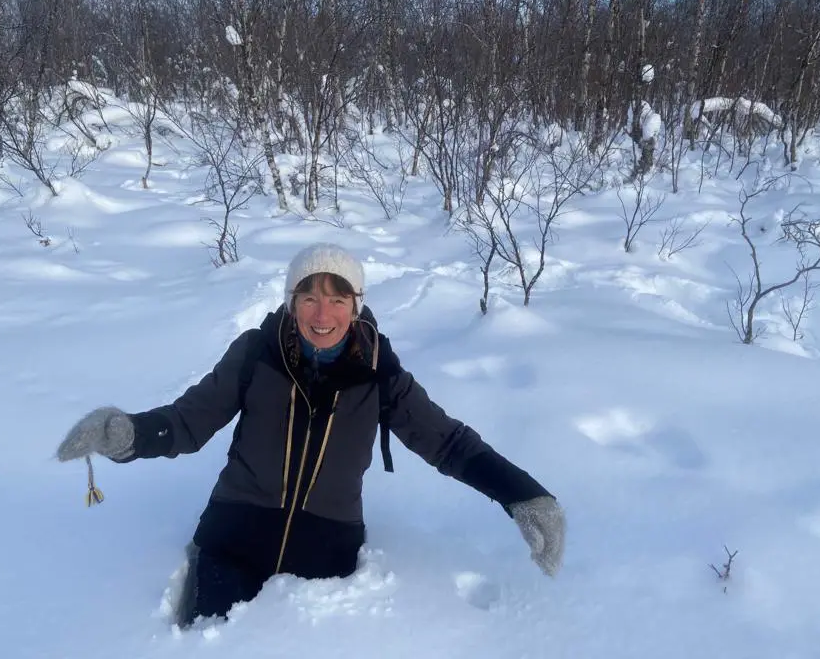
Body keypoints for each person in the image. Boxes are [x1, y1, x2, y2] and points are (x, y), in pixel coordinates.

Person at [56, 242, 565, 627]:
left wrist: (522, 495)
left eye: (338, 299)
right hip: (233, 537)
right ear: (291, 301)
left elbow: (449, 442)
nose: (323, 315)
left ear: (356, 306)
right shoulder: (256, 354)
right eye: (310, 297)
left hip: (326, 553)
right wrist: (127, 434)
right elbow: (189, 420)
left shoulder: (381, 376)